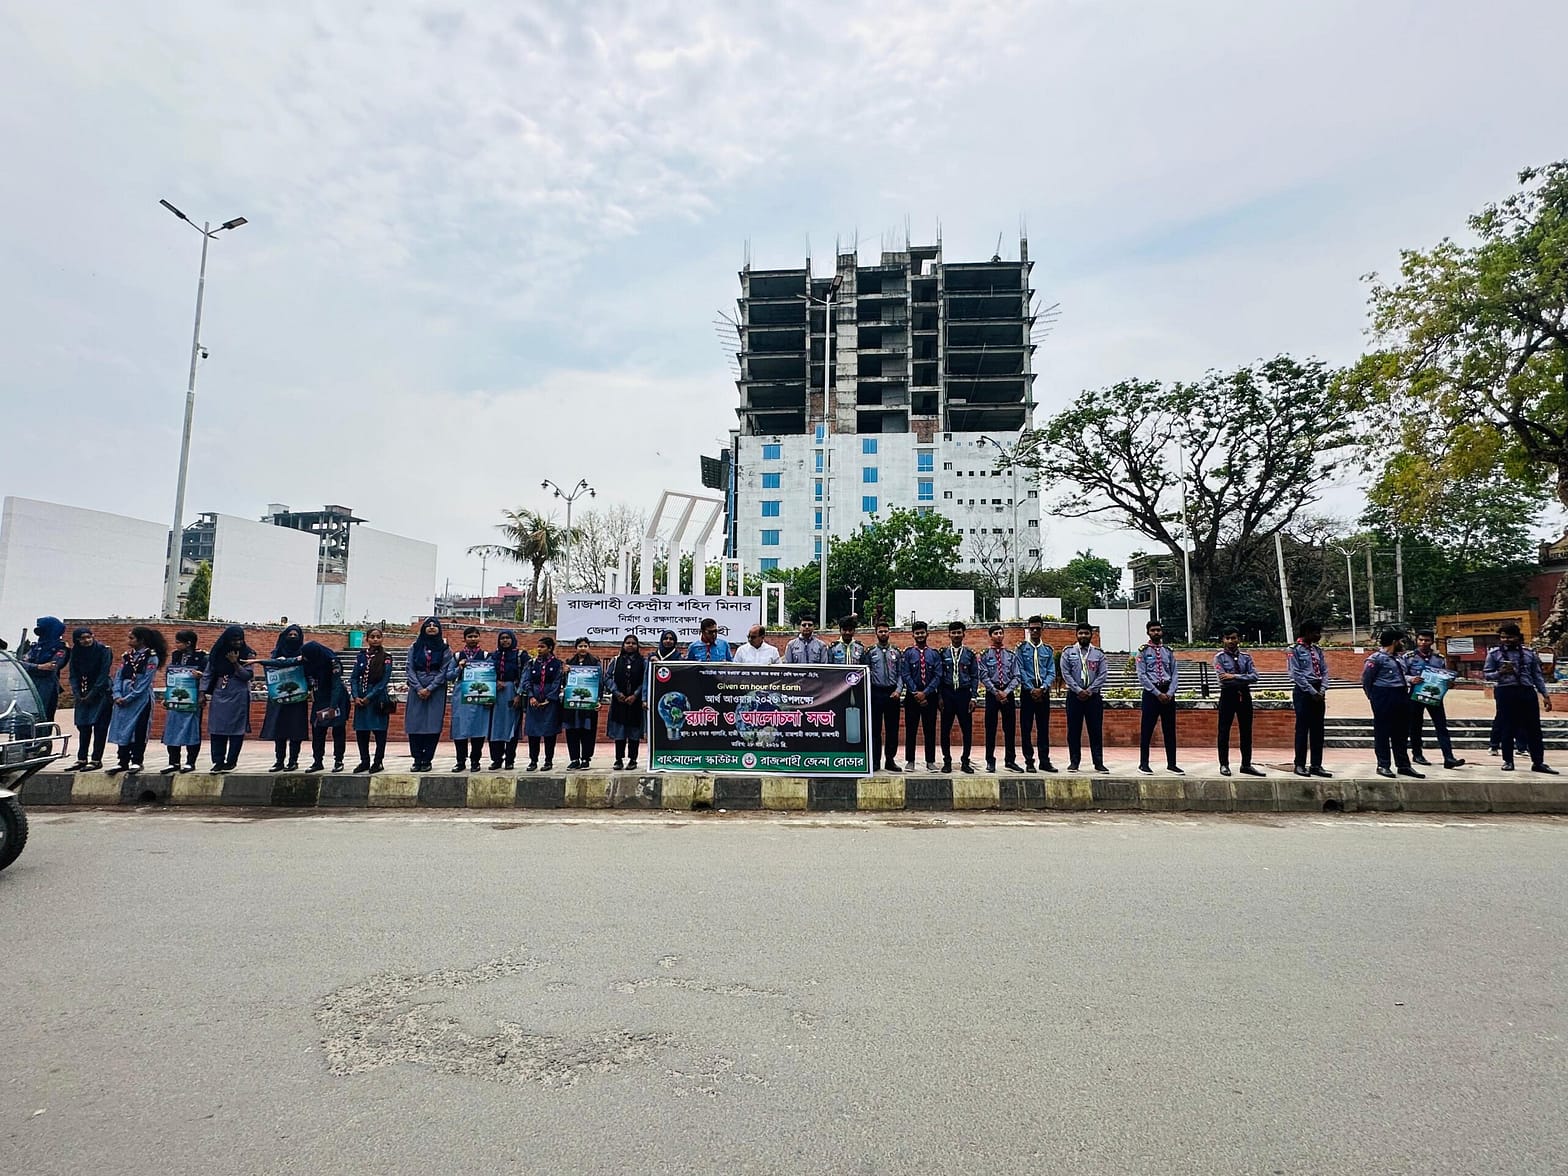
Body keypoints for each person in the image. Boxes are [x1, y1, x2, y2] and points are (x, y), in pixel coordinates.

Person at [1484, 623, 1558, 774]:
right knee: (1507, 726)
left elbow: (1537, 676)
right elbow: (1487, 675)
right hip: (1506, 691)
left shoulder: (1529, 654)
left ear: (1518, 637)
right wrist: (1500, 672)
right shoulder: (1494, 654)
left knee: (1534, 728)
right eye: (1503, 637)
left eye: (1510, 637)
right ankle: (1508, 761)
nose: (1506, 640)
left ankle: (1538, 762)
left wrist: (1545, 695)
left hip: (1527, 691)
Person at [1363, 629, 1423, 779]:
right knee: (1383, 731)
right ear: (1394, 642)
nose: (1402, 644)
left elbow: (1401, 675)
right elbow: (1367, 680)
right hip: (1383, 695)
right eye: (1400, 641)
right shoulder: (1376, 659)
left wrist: (1411, 679)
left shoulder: (1399, 658)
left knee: (1401, 732)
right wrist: (1373, 697)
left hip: (1401, 694)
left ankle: (1403, 765)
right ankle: (1383, 765)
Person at [107, 626, 166, 775]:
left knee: (139, 730)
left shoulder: (151, 657)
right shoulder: (127, 656)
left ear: (142, 640)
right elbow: (119, 676)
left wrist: (130, 698)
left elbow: (145, 682)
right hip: (122, 697)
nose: (129, 641)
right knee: (122, 729)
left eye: (132, 638)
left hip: (140, 699)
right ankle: (122, 761)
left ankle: (137, 761)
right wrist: (117, 695)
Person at [1405, 630, 1465, 769]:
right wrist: (1411, 679)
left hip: (1434, 695)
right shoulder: (1409, 657)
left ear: (1432, 641)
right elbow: (1401, 674)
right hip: (1415, 695)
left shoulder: (1439, 658)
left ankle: (1448, 757)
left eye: (1426, 640)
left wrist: (1449, 683)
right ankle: (1417, 754)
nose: (1423, 643)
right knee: (1415, 726)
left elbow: (1445, 675)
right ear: (1416, 640)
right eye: (1420, 640)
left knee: (1441, 726)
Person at [405, 617, 455, 772]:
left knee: (432, 724)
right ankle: (417, 759)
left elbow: (444, 670)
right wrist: (419, 687)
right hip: (416, 689)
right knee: (414, 724)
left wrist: (430, 688)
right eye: (428, 625)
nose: (432, 627)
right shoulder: (415, 647)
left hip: (436, 690)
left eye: (435, 625)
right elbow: (409, 668)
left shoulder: (445, 649)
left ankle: (427, 759)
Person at [1214, 626, 1264, 777]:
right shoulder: (1219, 658)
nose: (1231, 641)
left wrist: (1234, 676)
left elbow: (1254, 676)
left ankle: (1246, 764)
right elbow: (1223, 679)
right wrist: (1243, 678)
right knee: (1224, 731)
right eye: (1227, 638)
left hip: (1244, 695)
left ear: (1239, 639)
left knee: (1246, 731)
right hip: (1228, 695)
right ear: (1223, 640)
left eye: (1233, 638)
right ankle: (1224, 764)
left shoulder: (1246, 657)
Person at [203, 625, 255, 772]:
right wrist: (202, 693)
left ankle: (231, 761)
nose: (237, 642)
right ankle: (218, 761)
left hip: (238, 693)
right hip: (220, 691)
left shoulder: (248, 653)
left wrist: (235, 662)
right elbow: (208, 673)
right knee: (217, 728)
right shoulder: (217, 653)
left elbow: (246, 675)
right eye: (234, 640)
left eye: (240, 639)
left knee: (236, 729)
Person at [1059, 622, 1108, 772]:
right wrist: (1078, 690)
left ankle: (1098, 762)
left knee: (1095, 730)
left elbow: (1102, 674)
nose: (1083, 636)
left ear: (1091, 635)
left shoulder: (1098, 654)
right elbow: (1065, 673)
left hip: (1093, 697)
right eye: (1080, 633)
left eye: (1086, 633)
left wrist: (1090, 690)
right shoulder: (1068, 652)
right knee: (1074, 730)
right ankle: (1074, 762)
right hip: (1074, 696)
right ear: (1076, 634)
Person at [259, 624, 309, 772]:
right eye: (290, 635)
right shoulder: (277, 653)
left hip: (297, 698)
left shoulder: (303, 654)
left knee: (296, 730)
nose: (292, 637)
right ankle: (279, 761)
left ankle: (293, 760)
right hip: (279, 698)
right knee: (279, 730)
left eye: (295, 635)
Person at [65, 626, 113, 771]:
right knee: (83, 726)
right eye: (82, 638)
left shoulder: (103, 650)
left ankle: (96, 759)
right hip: (82, 693)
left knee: (100, 727)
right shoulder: (76, 652)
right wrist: (77, 693)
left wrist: (92, 694)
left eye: (88, 637)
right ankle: (81, 758)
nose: (86, 641)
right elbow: (73, 674)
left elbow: (103, 674)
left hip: (101, 693)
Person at [1136, 620, 1181, 774]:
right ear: (1148, 632)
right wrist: (1157, 693)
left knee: (1170, 730)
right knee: (1147, 729)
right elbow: (1142, 675)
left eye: (1158, 630)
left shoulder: (1168, 651)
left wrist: (1170, 693)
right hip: (1151, 693)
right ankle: (1144, 764)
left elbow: (1174, 673)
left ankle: (1172, 764)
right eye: (1153, 630)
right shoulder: (1143, 651)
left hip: (1167, 692)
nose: (1156, 633)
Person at [1288, 621, 1332, 778]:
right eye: (1315, 632)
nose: (1318, 636)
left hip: (1318, 691)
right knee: (1302, 729)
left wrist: (1322, 689)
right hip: (1304, 691)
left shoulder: (1317, 650)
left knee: (1318, 730)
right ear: (1306, 632)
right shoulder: (1294, 650)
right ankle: (1299, 764)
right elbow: (1296, 673)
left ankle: (1316, 765)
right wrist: (1312, 691)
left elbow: (1324, 670)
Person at [159, 629, 207, 774]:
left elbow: (209, 677)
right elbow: (171, 675)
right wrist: (167, 696)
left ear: (188, 643)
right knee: (172, 728)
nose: (176, 645)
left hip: (192, 698)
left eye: (179, 642)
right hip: (176, 697)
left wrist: (201, 679)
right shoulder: (176, 655)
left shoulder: (203, 657)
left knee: (192, 729)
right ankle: (173, 761)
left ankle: (190, 761)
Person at [1016, 615, 1057, 773]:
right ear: (1028, 629)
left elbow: (1051, 671)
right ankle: (1029, 761)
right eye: (1032, 628)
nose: (1034, 631)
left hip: (1043, 692)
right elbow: (1020, 670)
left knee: (1043, 728)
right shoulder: (1021, 649)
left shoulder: (1047, 650)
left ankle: (1044, 761)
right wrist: (1031, 688)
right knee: (1026, 728)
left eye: (1037, 628)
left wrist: (1043, 687)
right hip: (1028, 692)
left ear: (1042, 629)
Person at [900, 621, 942, 771]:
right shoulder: (908, 653)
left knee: (929, 729)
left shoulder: (934, 654)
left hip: (930, 696)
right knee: (911, 730)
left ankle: (930, 761)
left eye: (922, 632)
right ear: (913, 635)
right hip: (912, 697)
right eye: (917, 633)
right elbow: (905, 674)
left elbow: (938, 675)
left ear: (927, 634)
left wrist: (925, 693)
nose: (920, 635)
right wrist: (916, 692)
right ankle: (910, 760)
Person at [351, 626, 393, 773]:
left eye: (378, 637)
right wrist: (356, 696)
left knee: (379, 731)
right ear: (367, 639)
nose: (375, 639)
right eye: (372, 637)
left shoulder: (386, 658)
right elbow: (354, 677)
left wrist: (369, 697)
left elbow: (384, 681)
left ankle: (378, 762)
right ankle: (364, 761)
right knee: (361, 731)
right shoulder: (361, 656)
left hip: (377, 697)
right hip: (361, 697)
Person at [449, 626, 492, 772]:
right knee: (460, 729)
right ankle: (460, 761)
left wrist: (489, 697)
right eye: (470, 636)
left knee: (478, 729)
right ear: (464, 639)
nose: (473, 639)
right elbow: (448, 675)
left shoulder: (485, 656)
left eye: (475, 636)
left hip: (480, 692)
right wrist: (459, 668)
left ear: (479, 638)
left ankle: (475, 761)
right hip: (461, 693)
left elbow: (491, 676)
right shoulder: (457, 656)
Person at [979, 624, 1021, 773]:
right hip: (992, 693)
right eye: (995, 633)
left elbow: (1017, 676)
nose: (998, 636)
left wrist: (1006, 691)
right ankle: (990, 761)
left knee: (1009, 729)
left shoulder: (1010, 655)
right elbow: (983, 675)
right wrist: (996, 692)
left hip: (1007, 693)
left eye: (1000, 633)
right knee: (990, 728)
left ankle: (1010, 760)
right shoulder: (985, 655)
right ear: (990, 636)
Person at [938, 621, 978, 773]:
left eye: (959, 632)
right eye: (953, 632)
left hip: (964, 694)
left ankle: (965, 761)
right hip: (947, 694)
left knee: (967, 730)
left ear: (963, 634)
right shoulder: (943, 653)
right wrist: (940, 697)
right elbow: (939, 676)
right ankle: (947, 761)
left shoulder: (969, 654)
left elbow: (974, 676)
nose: (956, 635)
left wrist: (973, 697)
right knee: (945, 730)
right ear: (949, 634)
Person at [303, 641, 349, 773]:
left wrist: (333, 707)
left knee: (338, 730)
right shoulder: (308, 660)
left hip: (337, 698)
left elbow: (336, 685)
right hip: (320, 698)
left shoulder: (332, 661)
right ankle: (317, 761)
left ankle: (338, 760)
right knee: (317, 730)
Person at [487, 629, 529, 770]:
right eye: (502, 638)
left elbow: (525, 675)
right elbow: (486, 673)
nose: (505, 640)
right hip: (496, 694)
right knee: (495, 727)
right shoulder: (493, 656)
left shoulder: (521, 656)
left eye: (507, 638)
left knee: (512, 727)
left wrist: (519, 694)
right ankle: (496, 759)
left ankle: (510, 760)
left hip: (513, 692)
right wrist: (494, 682)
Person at [605, 633, 647, 770]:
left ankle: (633, 760)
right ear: (623, 645)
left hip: (635, 703)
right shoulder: (616, 661)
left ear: (637, 646)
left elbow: (645, 680)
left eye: (633, 643)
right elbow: (607, 678)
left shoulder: (643, 662)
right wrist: (616, 692)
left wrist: (635, 695)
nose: (630, 645)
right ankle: (618, 759)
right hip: (619, 702)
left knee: (634, 733)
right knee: (620, 732)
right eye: (628, 643)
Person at [865, 620, 902, 773]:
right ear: (876, 633)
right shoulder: (870, 652)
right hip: (876, 693)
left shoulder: (896, 652)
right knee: (875, 729)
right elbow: (866, 673)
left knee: (892, 729)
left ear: (889, 632)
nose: (883, 633)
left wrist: (898, 690)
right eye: (880, 631)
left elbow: (901, 674)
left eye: (885, 631)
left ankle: (890, 760)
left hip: (892, 693)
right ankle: (875, 761)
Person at [523, 635, 564, 771]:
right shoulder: (532, 663)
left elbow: (557, 682)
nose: (539, 649)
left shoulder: (557, 664)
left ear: (550, 648)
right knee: (533, 733)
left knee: (549, 733)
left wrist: (549, 699)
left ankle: (548, 761)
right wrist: (531, 696)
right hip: (534, 701)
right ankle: (533, 761)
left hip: (550, 703)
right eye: (538, 647)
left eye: (542, 647)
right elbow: (527, 680)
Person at [563, 636, 603, 769]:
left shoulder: (595, 662)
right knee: (572, 731)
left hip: (588, 704)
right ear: (576, 648)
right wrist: (565, 673)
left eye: (585, 646)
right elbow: (563, 683)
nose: (583, 648)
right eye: (580, 646)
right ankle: (574, 759)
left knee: (588, 731)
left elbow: (600, 683)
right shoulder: (569, 663)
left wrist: (598, 700)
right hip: (572, 704)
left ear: (589, 647)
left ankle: (586, 758)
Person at [21, 616, 69, 720]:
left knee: (43, 717)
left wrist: (32, 667)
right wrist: (38, 667)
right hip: (29, 685)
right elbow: (21, 665)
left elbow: (51, 667)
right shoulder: (35, 647)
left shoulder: (60, 648)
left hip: (46, 687)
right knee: (25, 717)